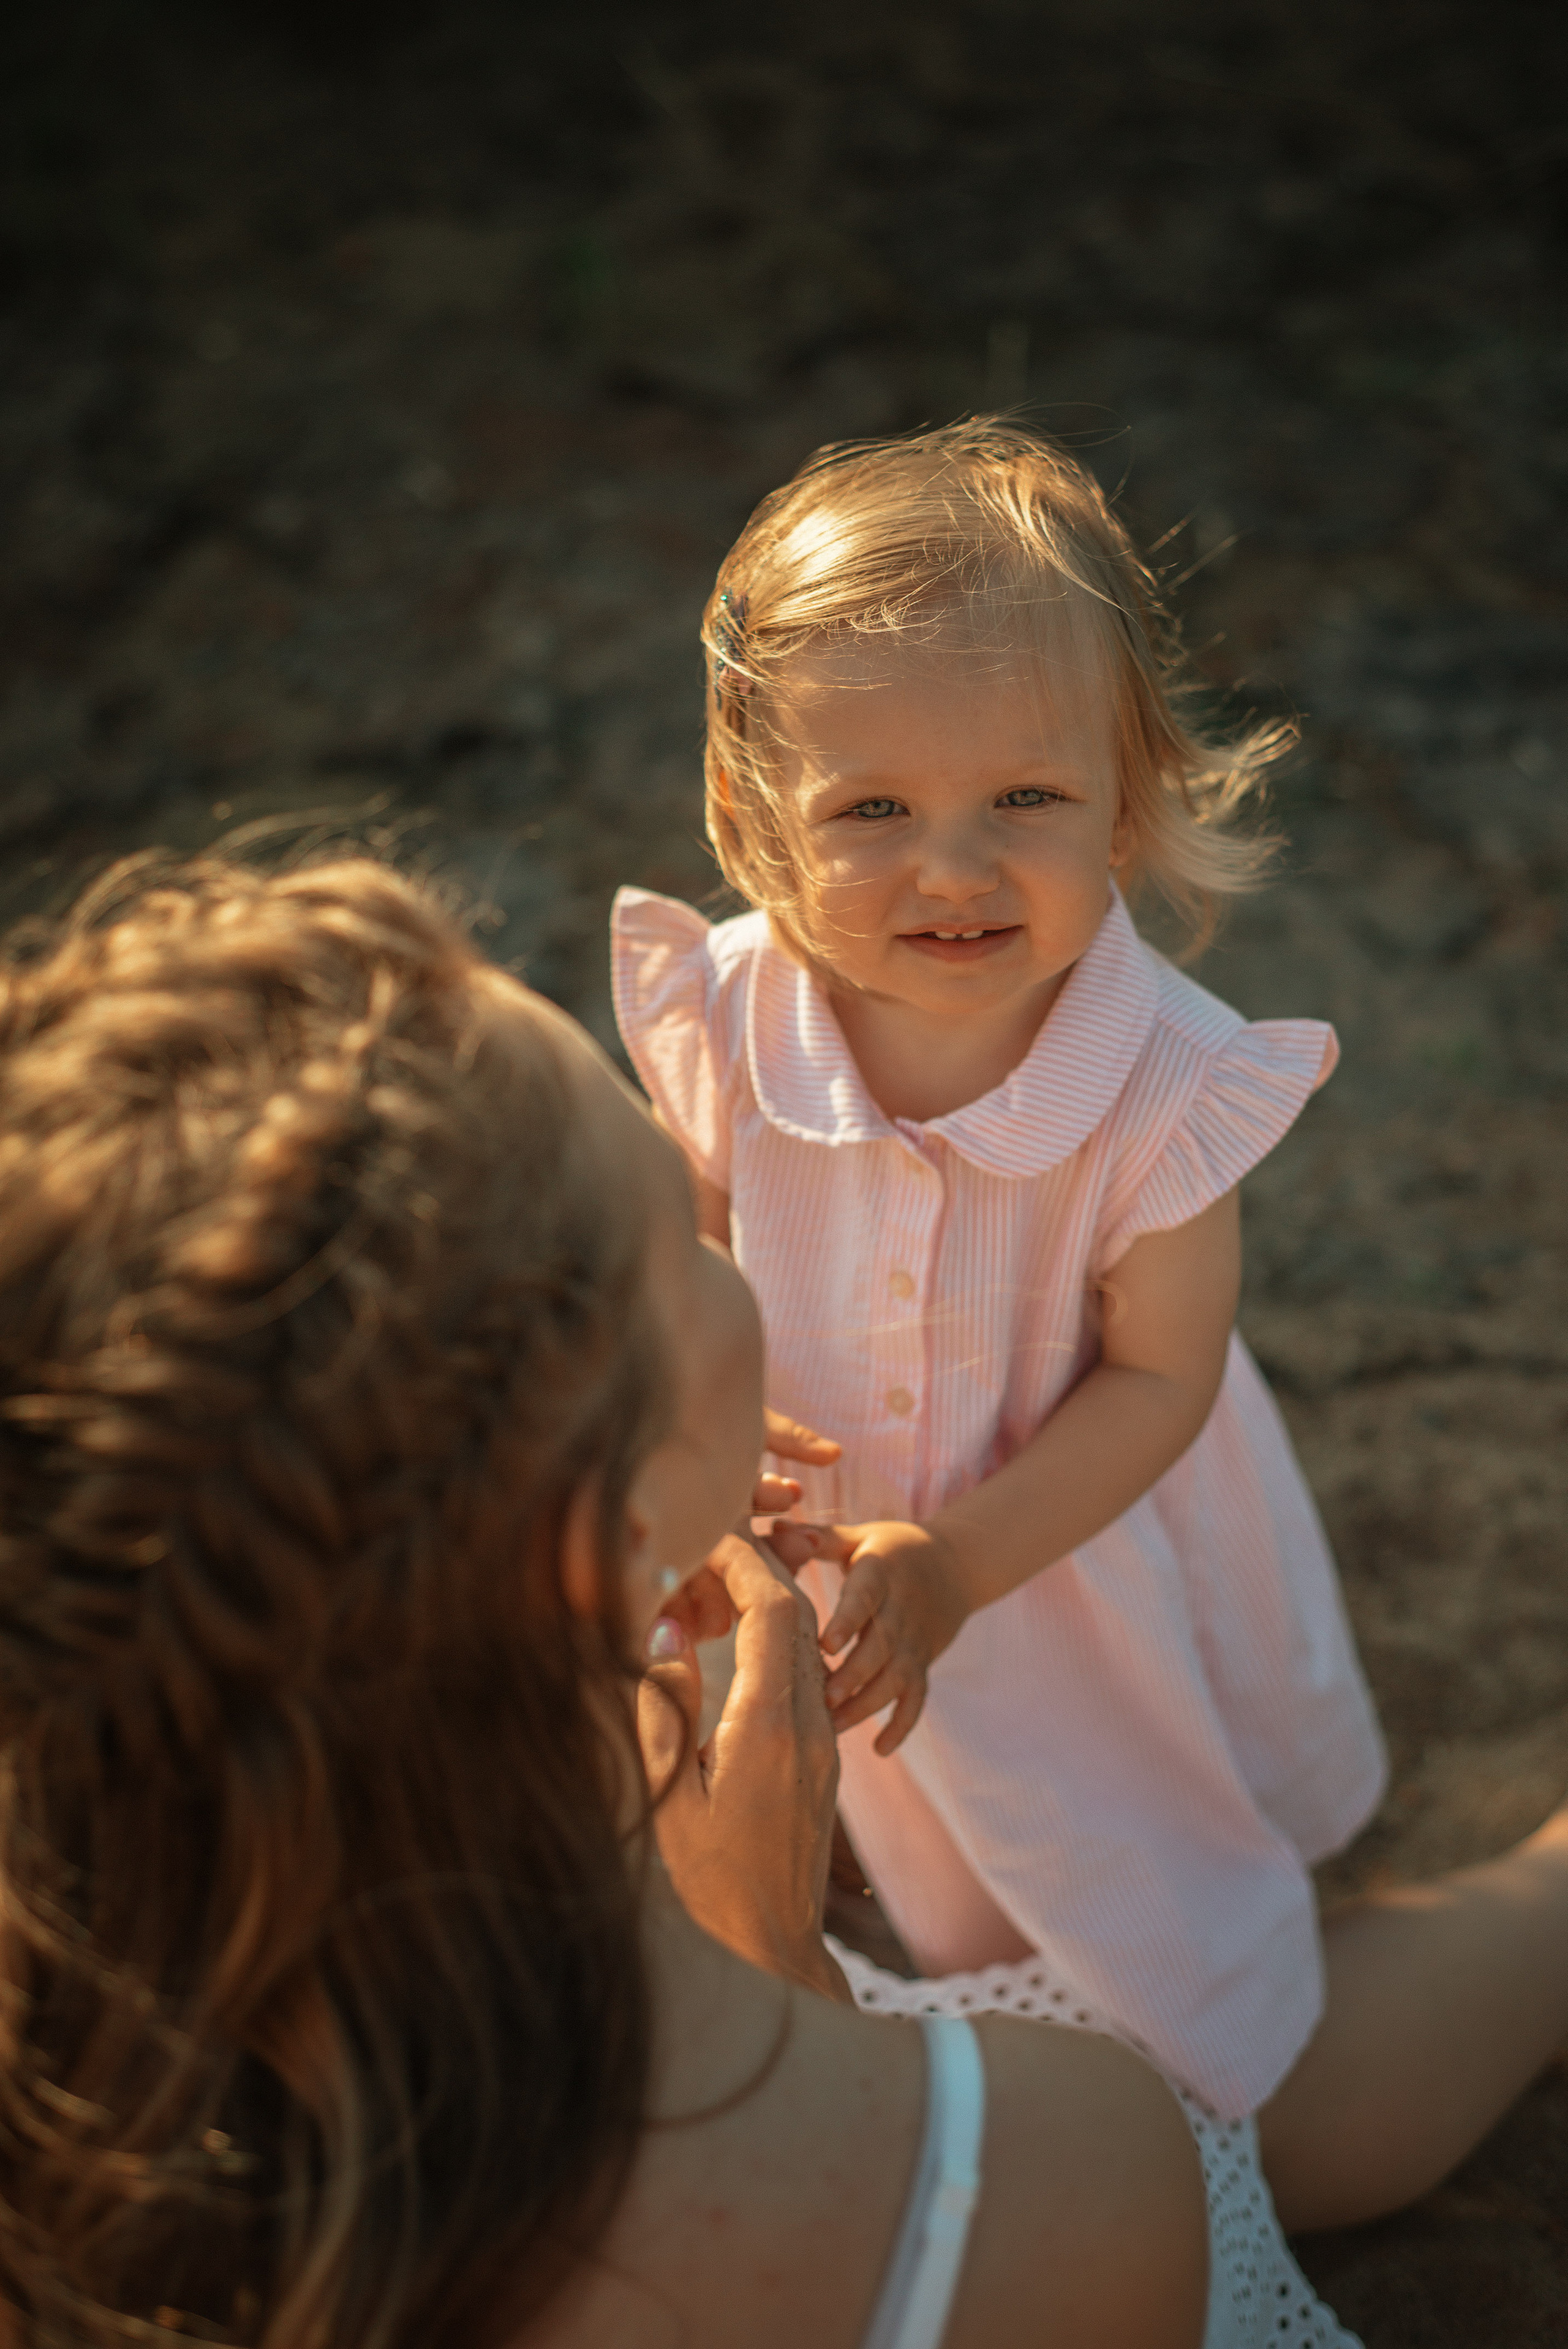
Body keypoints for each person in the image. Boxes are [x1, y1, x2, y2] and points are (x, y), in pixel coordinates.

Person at [5, 859, 1568, 2349]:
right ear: (596, 1528)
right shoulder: (1059, 2172)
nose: (732, 1244)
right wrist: (779, 1973)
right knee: (1264, 2105)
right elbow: (873, 2152)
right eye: (679, 1245)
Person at [609, 415, 1382, 2119]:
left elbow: (1163, 1375)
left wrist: (960, 1563)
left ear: (1131, 792)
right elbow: (694, 1255)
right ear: (753, 810)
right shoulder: (729, 1017)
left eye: (1024, 797)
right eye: (872, 807)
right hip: (806, 1531)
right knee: (843, 1831)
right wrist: (704, 1416)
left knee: (1136, 1844)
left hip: (1057, 1540)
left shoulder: (1165, 1085)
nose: (953, 868)